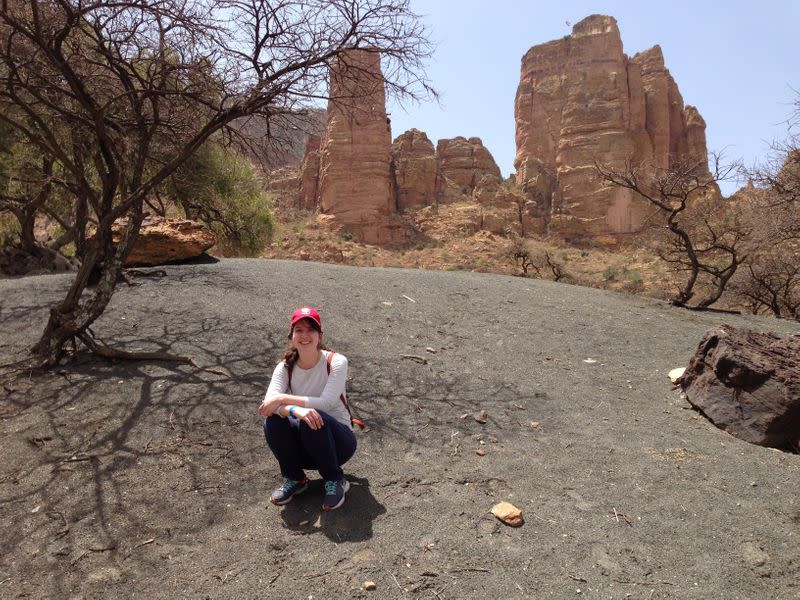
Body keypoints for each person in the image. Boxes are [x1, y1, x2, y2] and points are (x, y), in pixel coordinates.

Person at [258, 307, 357, 511]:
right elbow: (267, 407)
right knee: (274, 421)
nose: (305, 335)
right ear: (292, 337)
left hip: (339, 444)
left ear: (320, 336)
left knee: (314, 416)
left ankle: (336, 479)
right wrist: (295, 411)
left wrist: (282, 399)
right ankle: (296, 478)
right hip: (305, 446)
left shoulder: (336, 362)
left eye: (310, 330)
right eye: (299, 330)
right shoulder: (285, 367)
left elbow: (326, 403)